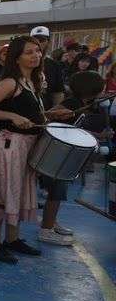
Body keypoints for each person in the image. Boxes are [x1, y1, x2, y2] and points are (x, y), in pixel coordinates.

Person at [0, 35, 72, 263]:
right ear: (17, 57)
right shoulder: (10, 83)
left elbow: (28, 113)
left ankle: (12, 239)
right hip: (11, 145)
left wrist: (49, 115)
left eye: (38, 51)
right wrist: (11, 115)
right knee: (1, 192)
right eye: (29, 52)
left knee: (17, 193)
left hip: (28, 146)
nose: (36, 55)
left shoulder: (33, 82)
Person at [38, 70, 108, 246]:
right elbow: (47, 116)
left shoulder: (84, 103)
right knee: (56, 192)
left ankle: (51, 222)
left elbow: (75, 129)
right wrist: (56, 114)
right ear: (92, 89)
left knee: (58, 193)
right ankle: (46, 230)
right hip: (56, 155)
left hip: (63, 156)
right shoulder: (72, 102)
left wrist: (97, 136)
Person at [31, 26, 66, 108]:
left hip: (46, 111)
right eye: (34, 40)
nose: (38, 43)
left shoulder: (54, 65)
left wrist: (55, 111)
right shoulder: (21, 62)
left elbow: (58, 92)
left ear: (48, 42)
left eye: (42, 40)